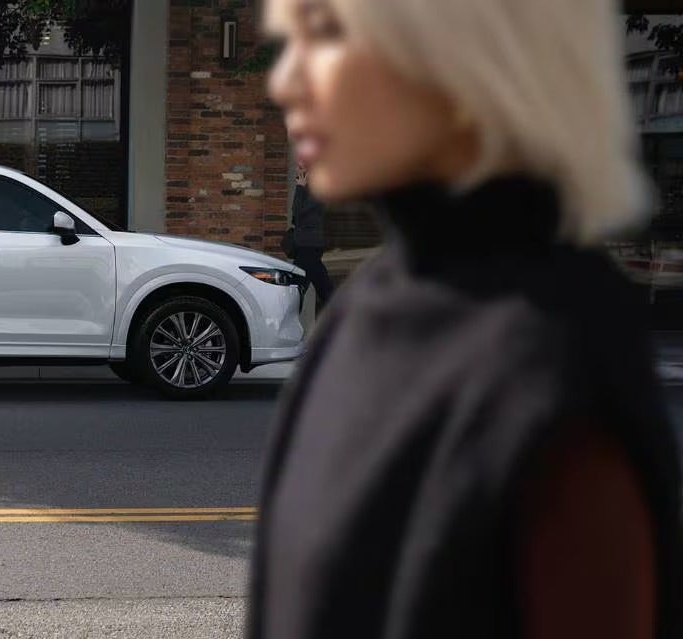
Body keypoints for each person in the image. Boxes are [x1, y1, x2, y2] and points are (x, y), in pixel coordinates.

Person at [248, 1, 681, 639]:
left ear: (461, 57)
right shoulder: (372, 308)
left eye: (328, 32)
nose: (286, 82)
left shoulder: (550, 362)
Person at [288, 159, 334, 311]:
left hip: (309, 245)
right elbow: (296, 217)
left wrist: (300, 188)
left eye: (300, 167)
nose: (296, 170)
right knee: (306, 285)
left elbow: (297, 212)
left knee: (297, 288)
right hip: (306, 244)